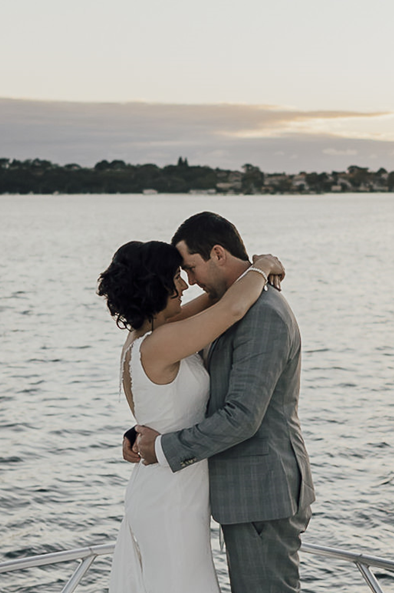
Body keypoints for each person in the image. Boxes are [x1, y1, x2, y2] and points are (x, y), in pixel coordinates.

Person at [124, 212, 316, 593]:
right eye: (181, 275)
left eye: (191, 268)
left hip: (262, 494)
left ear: (217, 253)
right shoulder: (224, 307)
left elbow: (243, 417)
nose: (189, 282)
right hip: (229, 494)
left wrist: (160, 446)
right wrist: (141, 432)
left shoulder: (262, 314)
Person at [97, 236, 285, 593]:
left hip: (172, 489)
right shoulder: (159, 343)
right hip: (170, 500)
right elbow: (230, 310)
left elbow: (218, 297)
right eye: (175, 277)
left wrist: (242, 271)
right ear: (155, 285)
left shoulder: (154, 332)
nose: (185, 284)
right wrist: (264, 265)